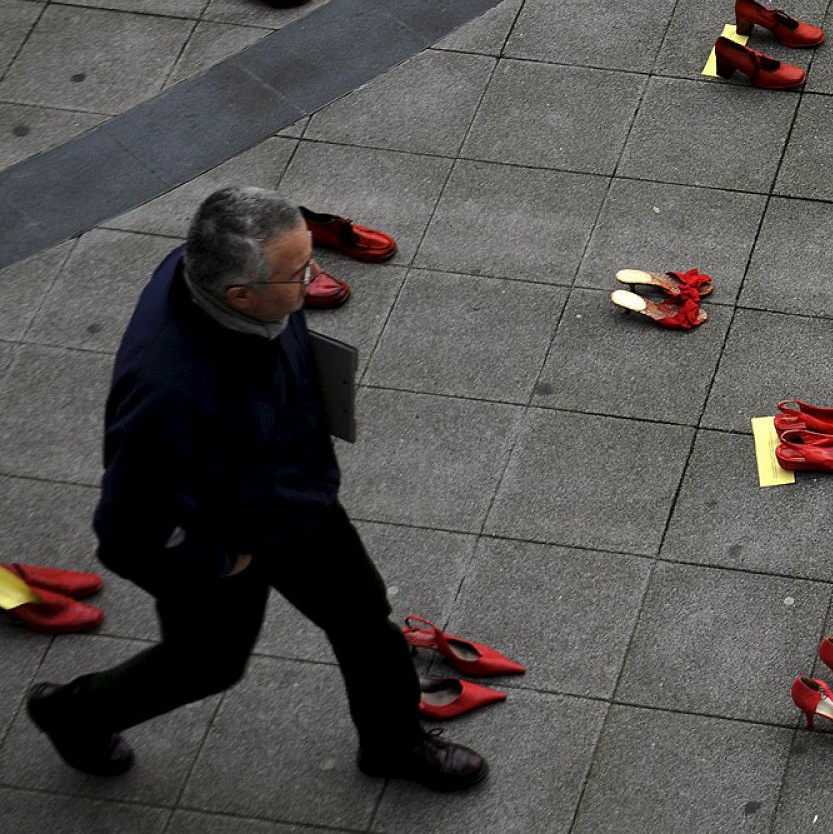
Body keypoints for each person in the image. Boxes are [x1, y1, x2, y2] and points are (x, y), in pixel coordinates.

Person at [24, 186, 486, 792]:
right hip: (223, 538)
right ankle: (74, 713)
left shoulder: (209, 275)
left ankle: (394, 745)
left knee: (364, 620)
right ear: (239, 294)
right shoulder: (171, 396)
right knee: (206, 664)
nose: (314, 280)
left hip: (294, 498)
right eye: (299, 274)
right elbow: (126, 532)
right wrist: (217, 560)